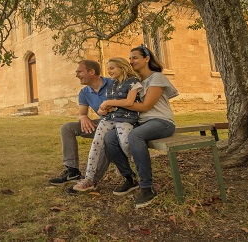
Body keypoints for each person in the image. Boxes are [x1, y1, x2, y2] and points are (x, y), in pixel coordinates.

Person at [102, 45, 178, 208]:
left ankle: (147, 187)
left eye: (135, 57)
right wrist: (112, 106)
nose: (131, 61)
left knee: (135, 136)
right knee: (109, 138)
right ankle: (130, 179)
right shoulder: (133, 81)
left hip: (161, 122)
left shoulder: (156, 78)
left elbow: (145, 106)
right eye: (130, 58)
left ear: (146, 58)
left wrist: (114, 104)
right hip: (139, 122)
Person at [71, 57, 142, 192]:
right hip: (108, 118)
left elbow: (129, 102)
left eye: (112, 68)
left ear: (122, 67)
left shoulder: (132, 82)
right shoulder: (113, 85)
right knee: (96, 144)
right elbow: (105, 106)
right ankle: (89, 178)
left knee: (125, 143)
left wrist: (109, 104)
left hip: (125, 119)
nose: (109, 72)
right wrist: (102, 109)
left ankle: (125, 164)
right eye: (108, 69)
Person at [48, 60, 113, 186]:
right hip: (101, 123)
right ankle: (73, 171)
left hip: (117, 124)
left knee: (106, 138)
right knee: (67, 128)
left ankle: (92, 179)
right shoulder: (84, 92)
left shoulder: (113, 84)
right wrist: (83, 117)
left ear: (92, 72)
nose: (76, 75)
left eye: (79, 71)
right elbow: (82, 113)